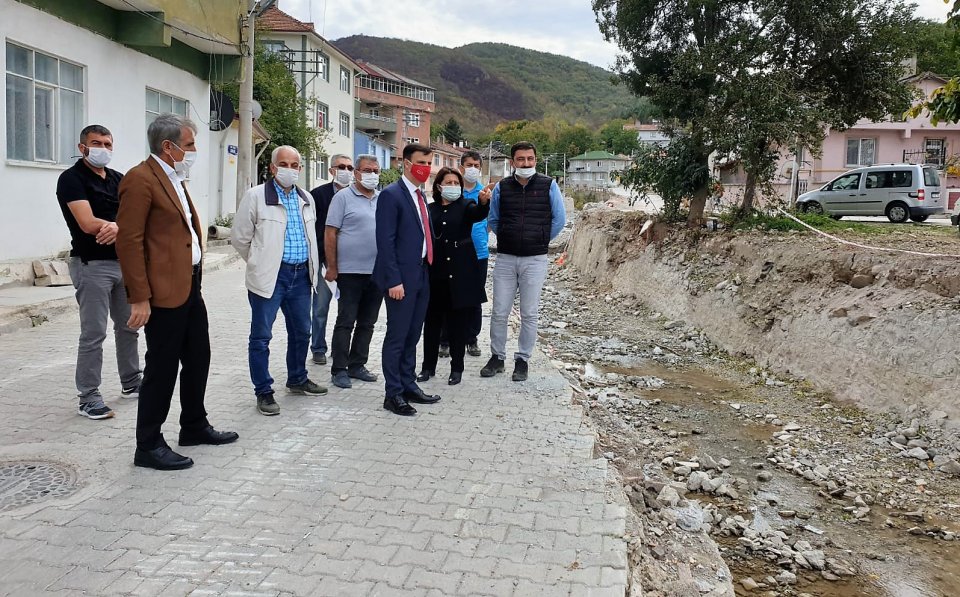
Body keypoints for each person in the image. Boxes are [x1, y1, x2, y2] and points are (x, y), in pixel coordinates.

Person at [116, 114, 238, 471]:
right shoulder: (140, 180)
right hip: (163, 291)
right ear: (167, 147)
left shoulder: (173, 177)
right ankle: (148, 443)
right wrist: (139, 296)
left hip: (190, 284)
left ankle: (194, 425)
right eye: (189, 145)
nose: (194, 151)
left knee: (199, 356)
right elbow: (129, 240)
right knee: (162, 366)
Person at [232, 145, 327, 417]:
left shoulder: (306, 198)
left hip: (300, 277)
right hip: (271, 277)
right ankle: (263, 391)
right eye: (283, 164)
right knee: (261, 337)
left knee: (302, 331)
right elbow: (240, 238)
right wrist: (261, 262)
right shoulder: (256, 196)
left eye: (295, 164)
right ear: (273, 168)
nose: (290, 169)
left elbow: (311, 238)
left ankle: (297, 379)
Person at [56, 124, 142, 420]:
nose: (103, 148)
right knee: (94, 332)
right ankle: (88, 396)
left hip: (124, 263)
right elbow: (87, 223)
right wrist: (121, 226)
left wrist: (120, 227)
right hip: (92, 265)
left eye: (107, 143)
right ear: (82, 147)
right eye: (96, 143)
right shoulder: (71, 179)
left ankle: (132, 382)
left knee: (129, 326)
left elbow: (137, 218)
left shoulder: (118, 179)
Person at [480, 141, 566, 382]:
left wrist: (538, 238)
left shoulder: (549, 186)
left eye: (530, 159)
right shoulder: (502, 188)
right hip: (506, 258)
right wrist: (507, 235)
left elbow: (559, 219)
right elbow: (494, 218)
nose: (525, 163)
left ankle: (523, 360)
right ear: (512, 162)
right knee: (499, 311)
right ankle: (497, 357)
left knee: (529, 313)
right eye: (520, 159)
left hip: (535, 259)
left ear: (535, 160)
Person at [373, 143, 442, 416]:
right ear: (405, 163)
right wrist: (393, 280)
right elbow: (385, 241)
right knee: (397, 336)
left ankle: (409, 384)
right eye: (420, 163)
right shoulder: (392, 195)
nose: (425, 168)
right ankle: (393, 393)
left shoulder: (421, 195)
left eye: (428, 163)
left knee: (413, 334)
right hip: (400, 279)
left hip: (422, 273)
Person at [416, 167, 490, 385]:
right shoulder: (431, 209)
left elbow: (478, 214)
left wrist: (484, 202)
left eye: (456, 183)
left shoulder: (467, 205)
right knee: (432, 323)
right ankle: (427, 367)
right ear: (439, 186)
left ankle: (457, 368)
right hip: (436, 272)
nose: (453, 186)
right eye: (448, 183)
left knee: (459, 323)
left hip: (462, 272)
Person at [324, 154, 383, 389]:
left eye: (376, 171)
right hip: (349, 272)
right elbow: (330, 233)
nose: (372, 175)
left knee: (368, 322)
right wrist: (332, 266)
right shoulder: (342, 197)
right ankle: (339, 368)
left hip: (376, 272)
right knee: (346, 320)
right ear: (357, 173)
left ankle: (357, 364)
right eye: (367, 170)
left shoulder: (382, 198)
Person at [309, 154, 354, 366]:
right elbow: (313, 228)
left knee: (347, 311)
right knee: (320, 307)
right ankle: (318, 348)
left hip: (351, 264)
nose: (346, 171)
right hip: (325, 260)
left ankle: (341, 350)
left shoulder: (357, 195)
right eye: (341, 167)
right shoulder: (318, 195)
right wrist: (324, 258)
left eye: (350, 167)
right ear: (332, 170)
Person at [459, 150, 489, 357]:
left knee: (475, 298)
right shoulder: (453, 190)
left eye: (476, 166)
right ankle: (445, 339)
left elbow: (492, 220)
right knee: (448, 295)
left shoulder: (485, 194)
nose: (473, 169)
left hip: (479, 253)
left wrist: (482, 236)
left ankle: (472, 338)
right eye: (469, 165)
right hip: (455, 251)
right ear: (462, 167)